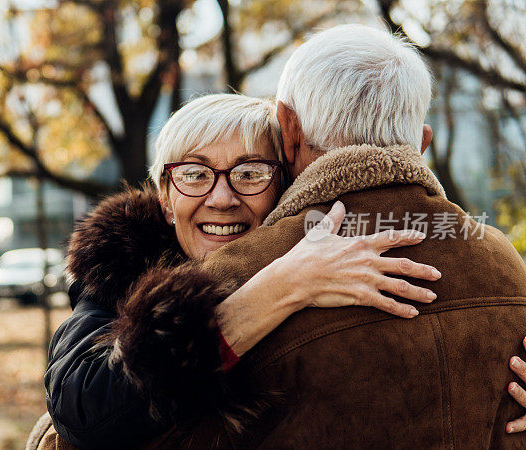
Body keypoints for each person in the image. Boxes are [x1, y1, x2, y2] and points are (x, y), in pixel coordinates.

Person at [119, 24, 526, 448]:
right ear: (421, 143)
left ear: (288, 129)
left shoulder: (225, 280)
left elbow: (105, 429)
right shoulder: (503, 263)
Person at [33, 93, 441, 450]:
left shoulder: (339, 259)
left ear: (285, 186)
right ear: (165, 199)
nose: (222, 198)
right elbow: (82, 407)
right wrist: (282, 288)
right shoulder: (119, 274)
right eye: (195, 174)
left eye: (250, 173)